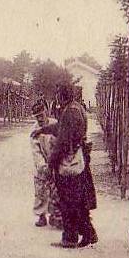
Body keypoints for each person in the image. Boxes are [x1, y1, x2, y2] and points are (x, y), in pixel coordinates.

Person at [36, 85, 98, 248]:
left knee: (69, 201)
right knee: (79, 200)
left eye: (57, 95)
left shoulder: (70, 112)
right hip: (79, 159)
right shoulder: (76, 108)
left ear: (62, 96)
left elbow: (63, 139)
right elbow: (60, 128)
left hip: (71, 161)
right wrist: (44, 129)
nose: (56, 99)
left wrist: (52, 163)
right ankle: (88, 234)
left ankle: (70, 238)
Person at [30, 99, 61, 228]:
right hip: (42, 164)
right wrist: (43, 166)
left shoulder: (55, 124)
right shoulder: (35, 130)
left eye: (41, 115)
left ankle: (55, 215)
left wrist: (55, 163)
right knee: (40, 189)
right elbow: (36, 151)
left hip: (55, 162)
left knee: (56, 189)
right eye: (37, 117)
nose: (40, 119)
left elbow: (60, 144)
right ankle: (41, 215)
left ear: (46, 112)